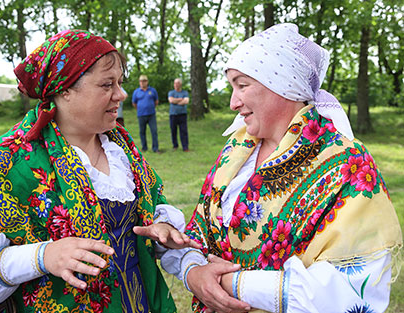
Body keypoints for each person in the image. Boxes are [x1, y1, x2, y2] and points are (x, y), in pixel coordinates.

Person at [0, 29, 199, 313]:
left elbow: (151, 207)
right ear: (65, 90)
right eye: (107, 84)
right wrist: (42, 256)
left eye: (120, 83)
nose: (120, 94)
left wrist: (162, 227)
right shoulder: (6, 160)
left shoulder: (121, 146)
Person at [162, 23, 402, 313]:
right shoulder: (237, 150)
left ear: (282, 84)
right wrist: (193, 271)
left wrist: (233, 284)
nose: (233, 102)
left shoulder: (347, 164)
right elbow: (201, 235)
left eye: (242, 85)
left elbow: (352, 291)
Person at [132, 75, 159, 152]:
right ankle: (144, 147)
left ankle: (155, 148)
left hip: (151, 115)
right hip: (141, 115)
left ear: (147, 82)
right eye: (141, 81)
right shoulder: (136, 92)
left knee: (154, 131)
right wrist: (140, 109)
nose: (142, 83)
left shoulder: (152, 90)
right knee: (142, 132)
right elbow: (134, 103)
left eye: (144, 81)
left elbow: (156, 101)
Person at [168, 78, 189, 151]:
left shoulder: (185, 92)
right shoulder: (171, 92)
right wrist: (181, 100)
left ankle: (185, 147)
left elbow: (186, 101)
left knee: (183, 131)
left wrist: (175, 101)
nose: (176, 85)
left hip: (182, 114)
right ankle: (175, 145)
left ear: (180, 84)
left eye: (177, 83)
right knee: (173, 130)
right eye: (175, 83)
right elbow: (171, 100)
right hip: (173, 115)